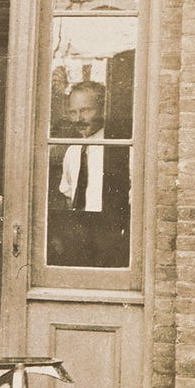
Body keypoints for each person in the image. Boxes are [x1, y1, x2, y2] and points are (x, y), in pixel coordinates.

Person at [48, 80, 130, 268]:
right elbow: (69, 196)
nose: (79, 119)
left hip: (111, 236)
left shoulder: (119, 148)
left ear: (103, 110)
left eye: (85, 110)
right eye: (73, 112)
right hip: (79, 236)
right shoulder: (73, 151)